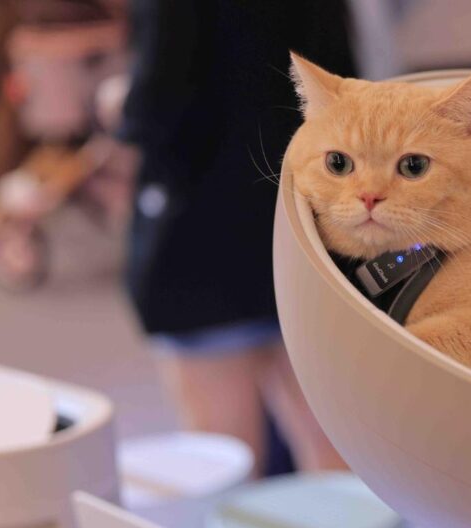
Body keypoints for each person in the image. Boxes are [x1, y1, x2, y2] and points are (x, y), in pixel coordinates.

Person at [119, 0, 358, 474]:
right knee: (337, 456)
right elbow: (342, 83)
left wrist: (118, 110)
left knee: (223, 462)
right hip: (305, 223)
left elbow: (159, 102)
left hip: (202, 234)